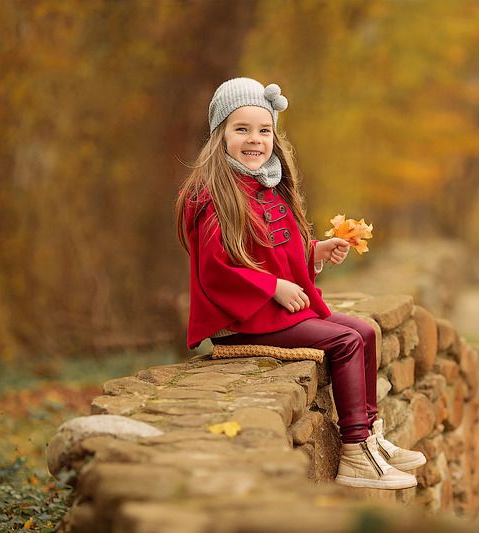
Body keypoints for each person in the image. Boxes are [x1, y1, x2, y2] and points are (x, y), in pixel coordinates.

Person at [174, 77, 426, 489]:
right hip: (240, 319)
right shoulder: (216, 192)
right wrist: (272, 287)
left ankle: (372, 438)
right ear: (220, 134)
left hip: (265, 309)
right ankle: (354, 450)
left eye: (264, 130)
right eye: (241, 129)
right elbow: (218, 268)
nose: (254, 140)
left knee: (364, 331)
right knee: (344, 342)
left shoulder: (265, 185)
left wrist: (315, 252)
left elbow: (270, 248)